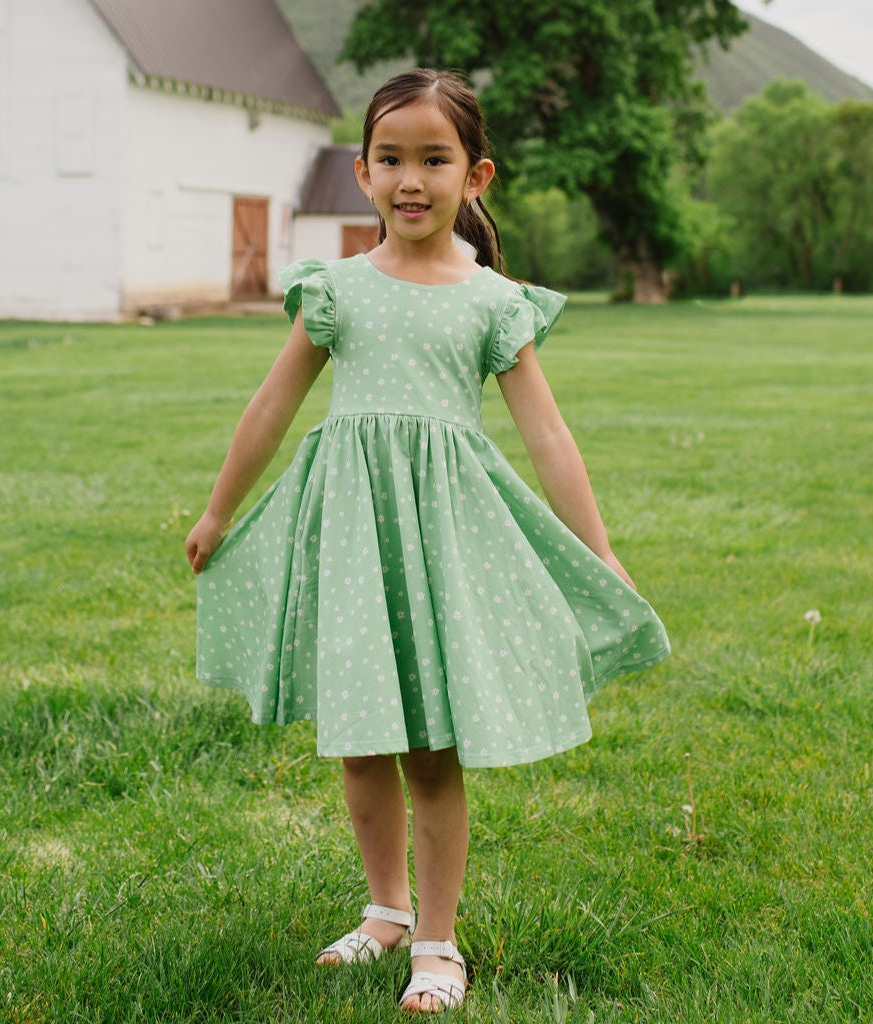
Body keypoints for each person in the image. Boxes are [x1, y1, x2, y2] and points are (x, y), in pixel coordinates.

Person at [185, 68, 669, 1014]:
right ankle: (385, 912)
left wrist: (600, 547)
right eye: (392, 159)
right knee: (361, 740)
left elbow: (549, 438)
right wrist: (216, 510)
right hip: (352, 535)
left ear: (475, 176)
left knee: (432, 748)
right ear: (362, 173)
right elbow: (272, 404)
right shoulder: (336, 291)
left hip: (441, 540)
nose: (412, 178)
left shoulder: (494, 302)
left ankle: (439, 943)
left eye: (434, 159)